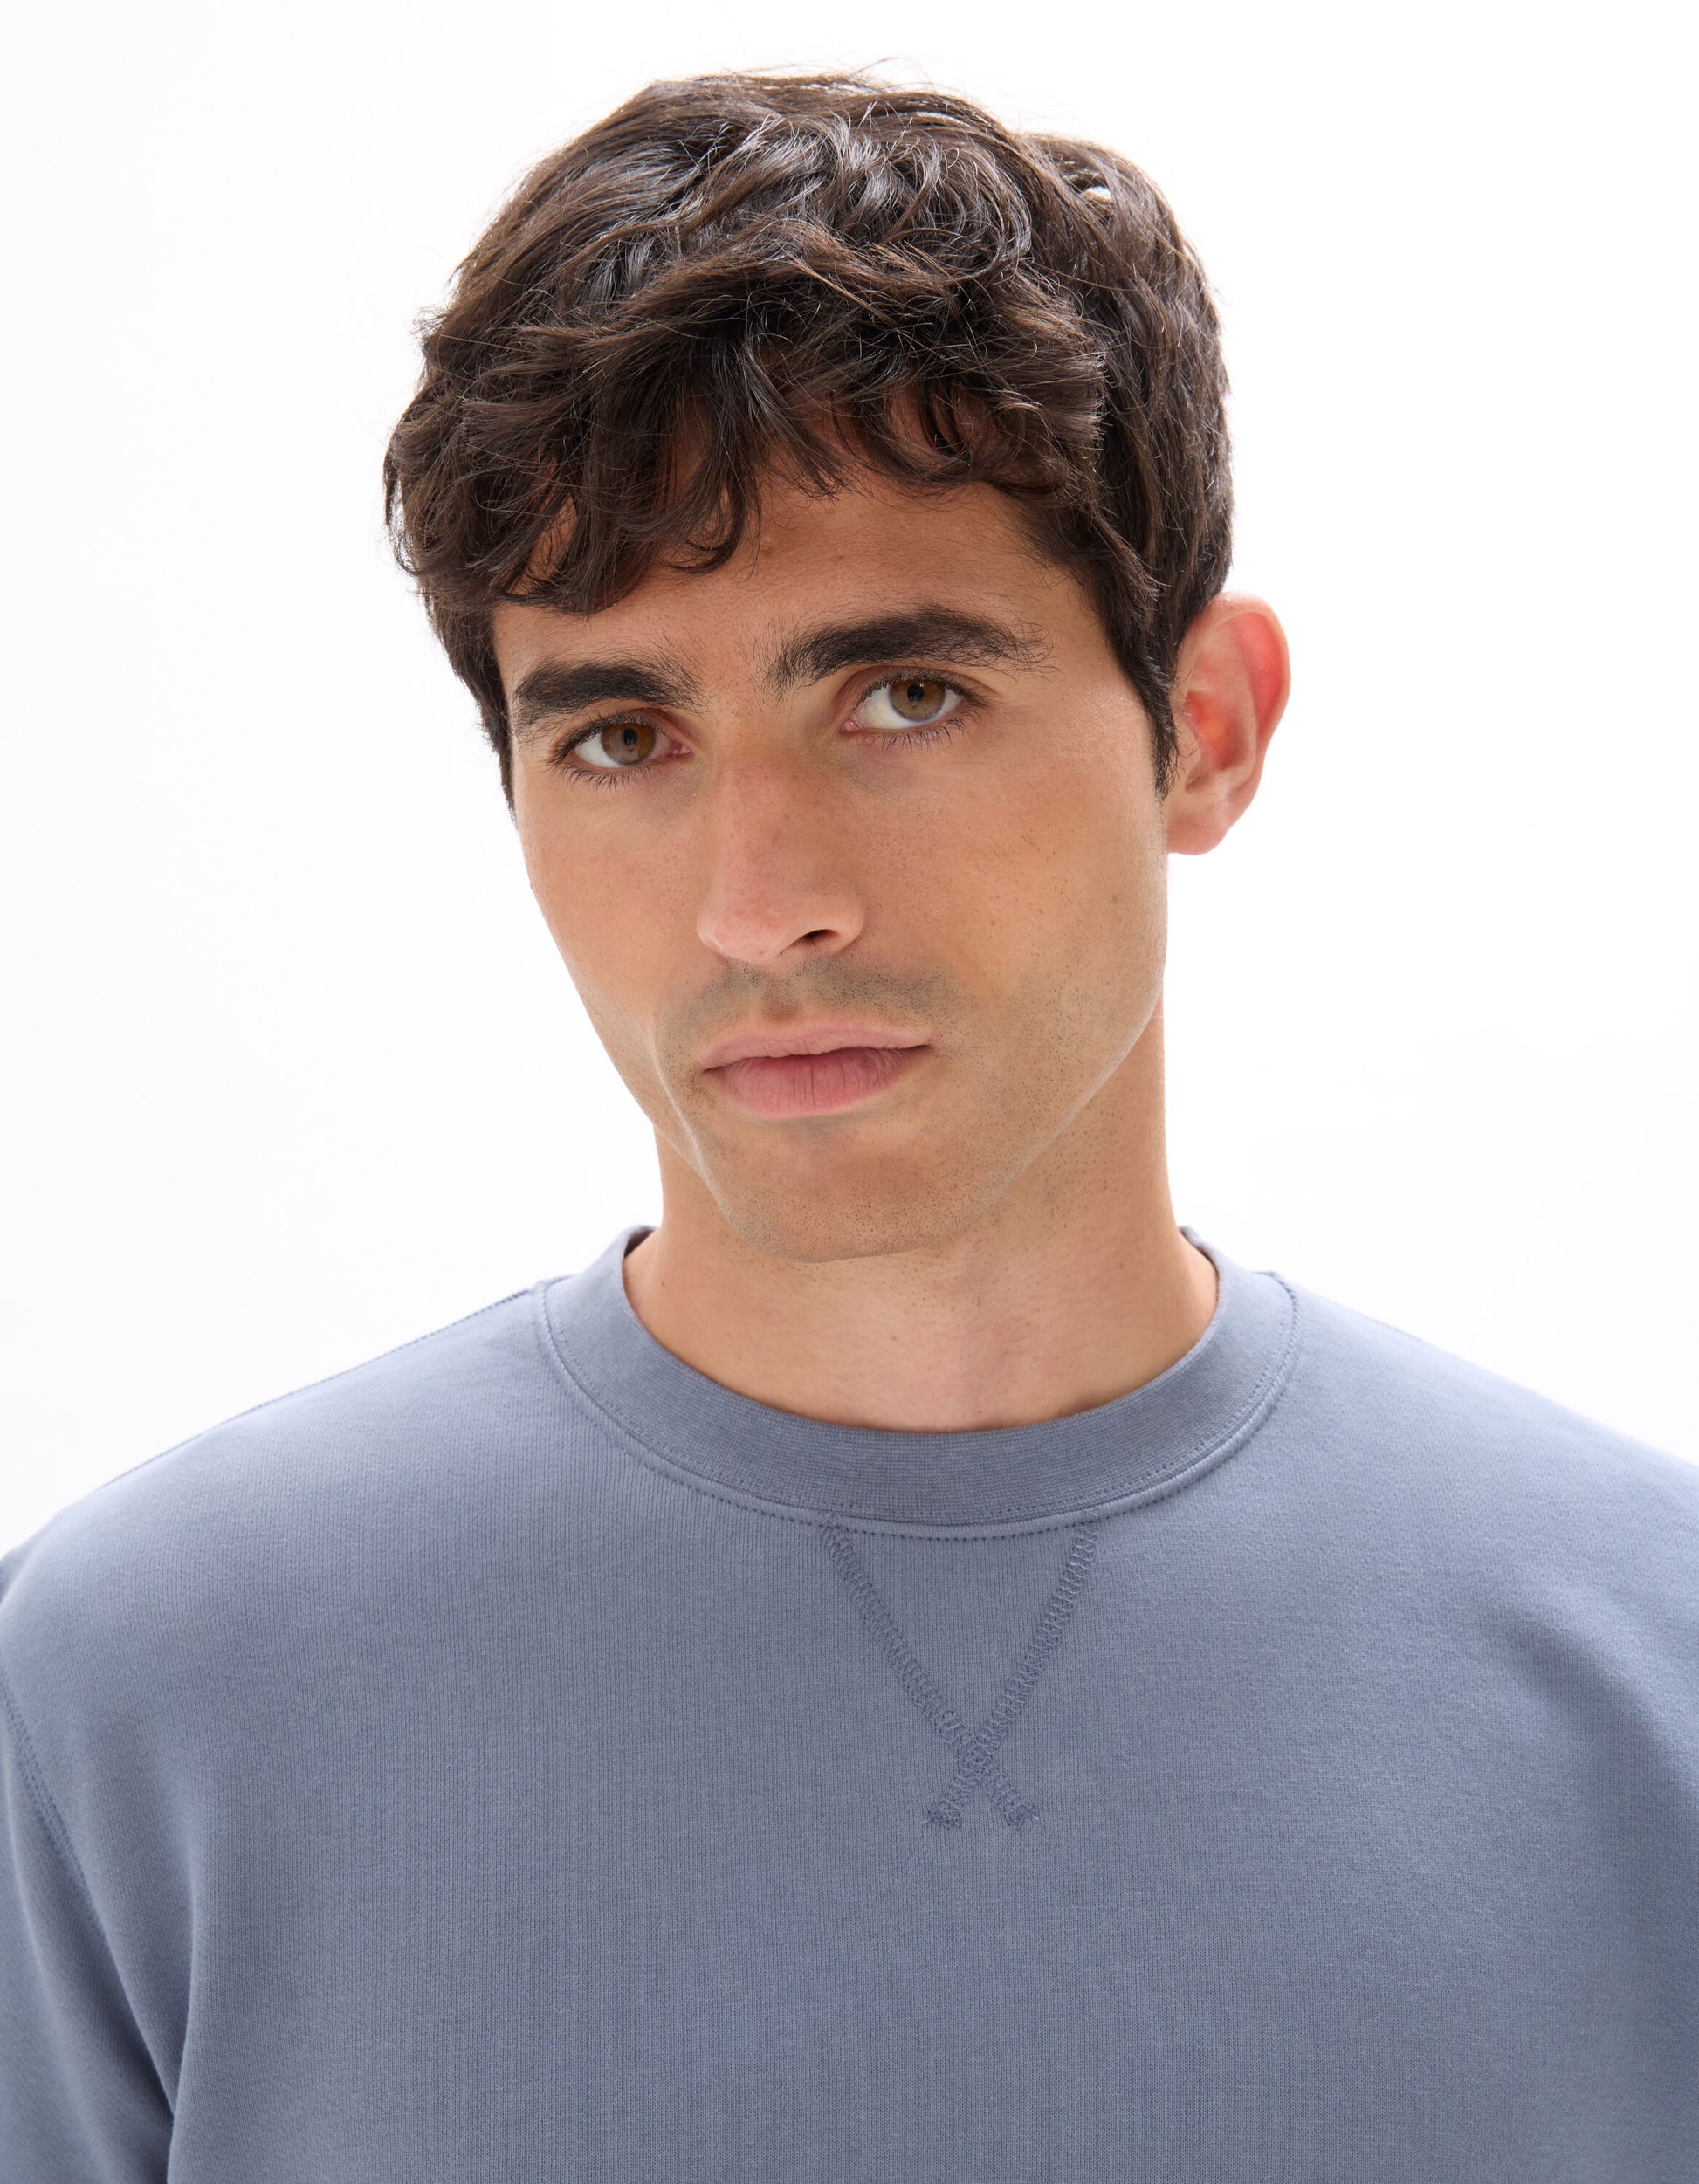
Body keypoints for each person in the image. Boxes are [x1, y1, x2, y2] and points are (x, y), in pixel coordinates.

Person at [2, 70, 1694, 2183]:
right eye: (622, 736)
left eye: (904, 698)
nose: (760, 900)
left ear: (1204, 730)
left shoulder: (1653, 1676)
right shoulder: (131, 1699)